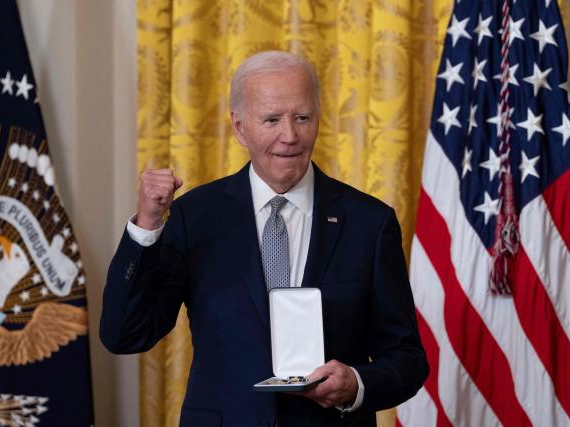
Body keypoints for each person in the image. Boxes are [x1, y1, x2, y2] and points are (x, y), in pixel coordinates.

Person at [100, 51, 428, 427]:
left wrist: (355, 383)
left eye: (302, 118)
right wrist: (146, 226)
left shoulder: (369, 222)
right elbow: (124, 334)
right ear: (239, 128)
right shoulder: (195, 216)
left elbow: (407, 358)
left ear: (318, 119)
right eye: (271, 120)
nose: (289, 136)